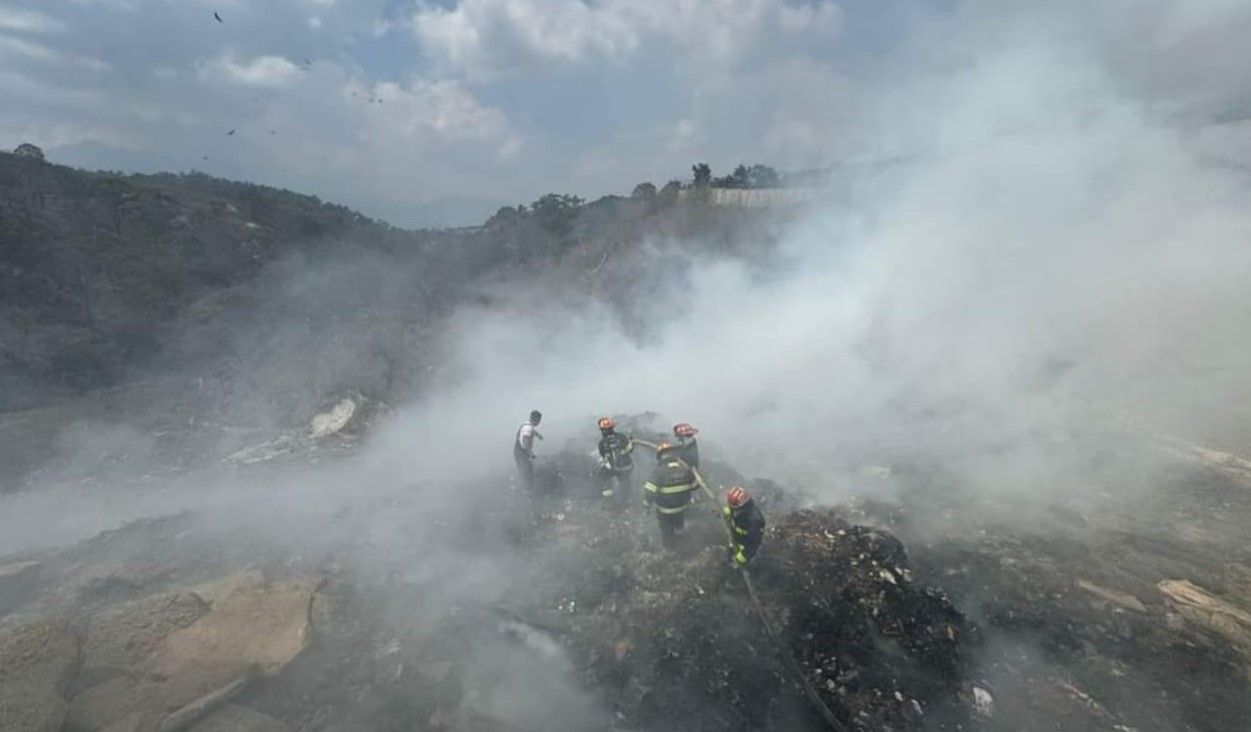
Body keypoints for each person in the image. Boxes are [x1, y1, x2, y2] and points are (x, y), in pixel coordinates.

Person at [643, 442, 699, 542]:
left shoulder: (659, 471)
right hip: (682, 507)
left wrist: (647, 504)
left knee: (666, 530)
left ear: (660, 456)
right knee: (679, 525)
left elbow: (650, 491)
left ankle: (670, 550)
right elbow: (695, 486)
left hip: (665, 510)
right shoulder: (685, 469)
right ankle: (682, 541)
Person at [722, 486, 766, 567]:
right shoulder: (740, 508)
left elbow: (754, 544)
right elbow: (732, 509)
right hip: (735, 540)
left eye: (735, 507)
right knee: (727, 563)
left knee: (747, 568)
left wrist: (742, 557)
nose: (734, 510)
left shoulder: (754, 521)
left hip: (745, 547)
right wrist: (726, 512)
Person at [595, 417, 635, 500]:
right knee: (625, 482)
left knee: (604, 476)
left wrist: (609, 467)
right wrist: (631, 441)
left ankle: (608, 500)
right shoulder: (622, 437)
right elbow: (630, 449)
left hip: (613, 468)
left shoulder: (602, 443)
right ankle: (627, 499)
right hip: (626, 467)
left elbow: (604, 456)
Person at [514, 410, 543, 491]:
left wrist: (538, 435)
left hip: (521, 451)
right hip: (521, 452)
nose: (539, 422)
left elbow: (533, 431)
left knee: (527, 469)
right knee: (526, 471)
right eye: (539, 420)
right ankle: (526, 490)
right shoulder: (528, 427)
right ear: (536, 419)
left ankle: (526, 488)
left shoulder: (528, 425)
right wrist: (530, 453)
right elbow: (525, 439)